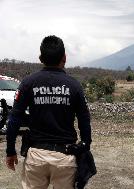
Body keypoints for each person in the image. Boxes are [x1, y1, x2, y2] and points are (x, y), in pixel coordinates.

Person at [6, 35, 92, 189]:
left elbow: (14, 119)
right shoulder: (74, 86)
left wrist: (10, 151)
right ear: (64, 58)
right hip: (65, 157)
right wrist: (85, 145)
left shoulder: (28, 83)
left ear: (40, 58)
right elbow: (84, 120)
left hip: (36, 156)